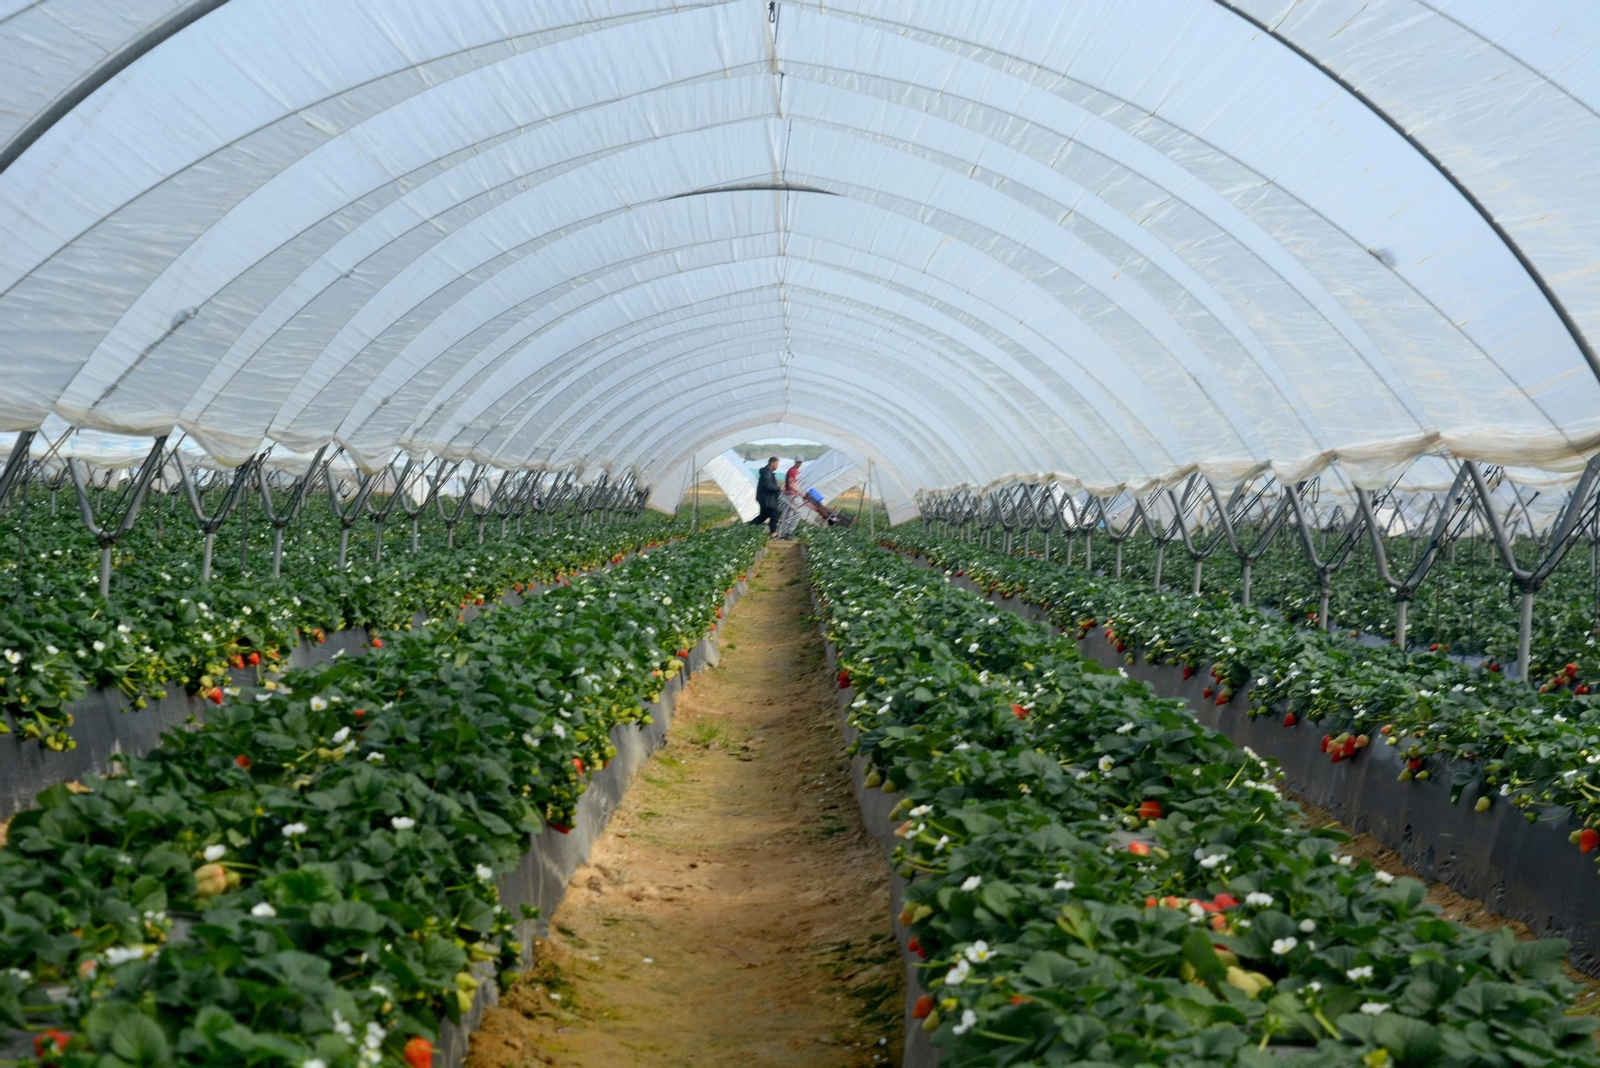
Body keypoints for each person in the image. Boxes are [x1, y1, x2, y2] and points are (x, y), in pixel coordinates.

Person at [748, 456, 781, 534]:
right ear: (772, 463)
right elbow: (767, 485)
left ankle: (749, 525)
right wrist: (778, 488)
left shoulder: (767, 472)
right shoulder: (767, 472)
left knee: (763, 516)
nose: (777, 466)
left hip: (765, 498)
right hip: (766, 499)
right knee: (774, 515)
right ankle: (773, 533)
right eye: (776, 464)